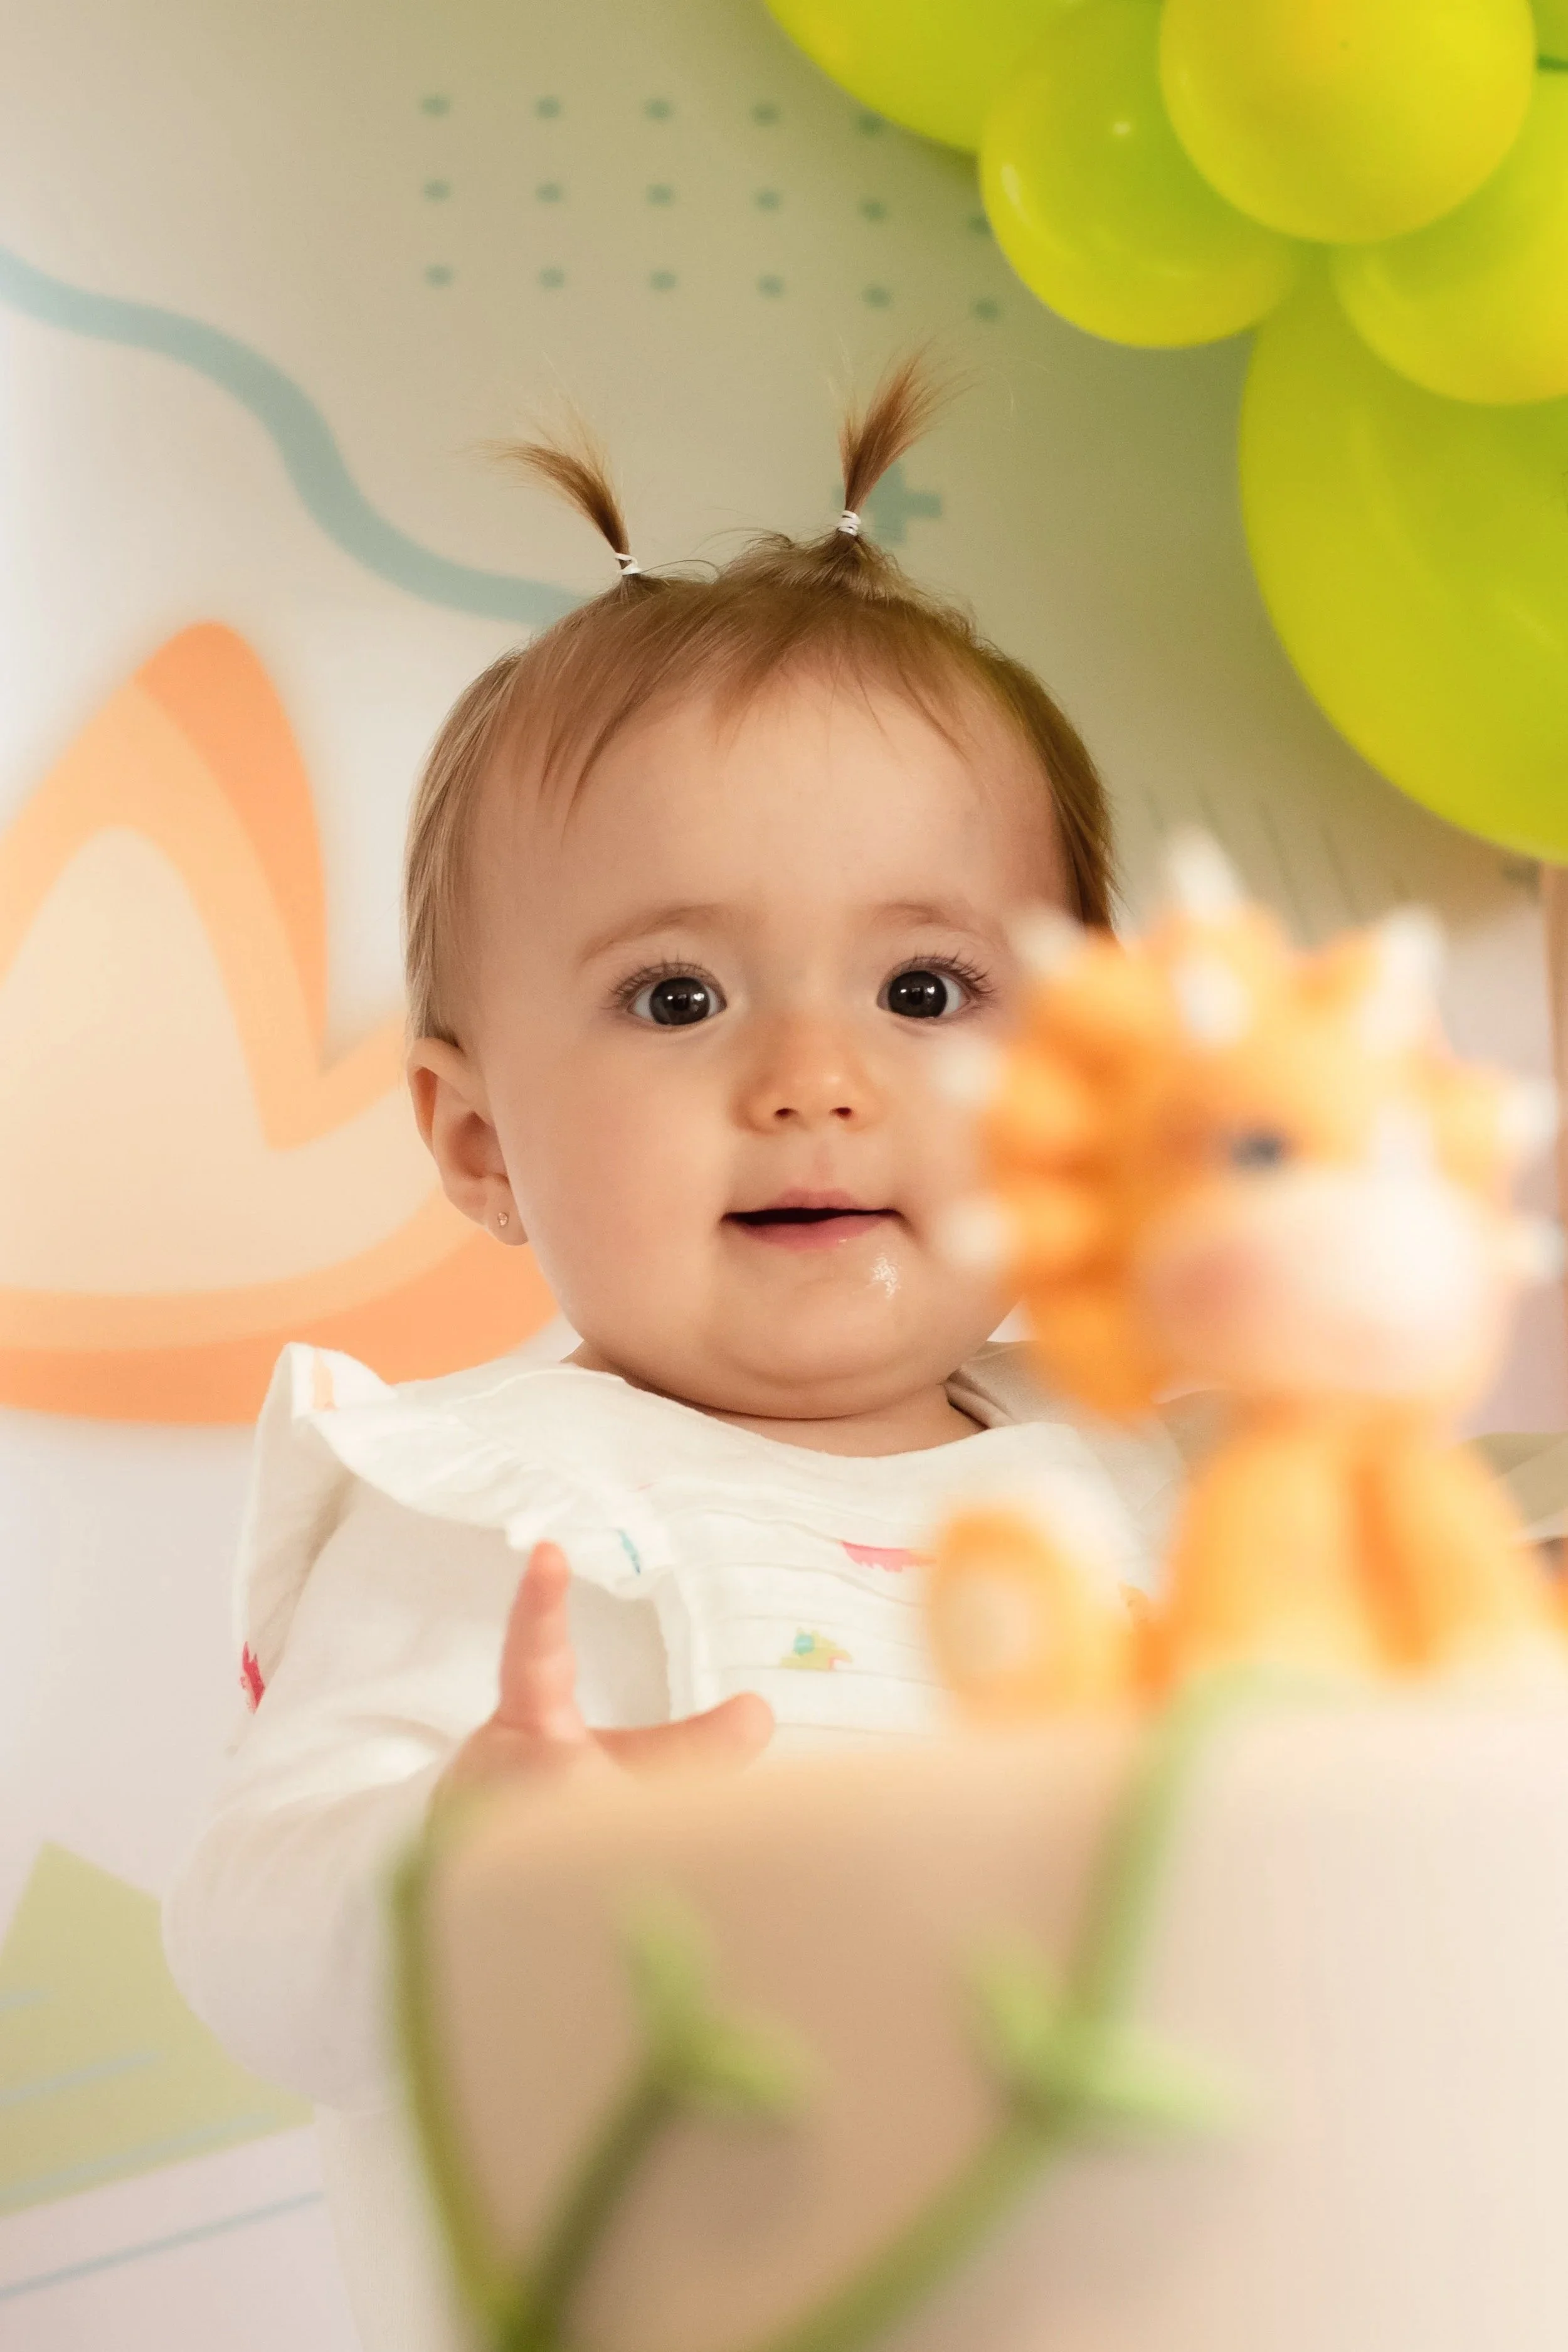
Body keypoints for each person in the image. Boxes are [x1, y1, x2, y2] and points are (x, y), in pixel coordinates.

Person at [162, 357, 1187, 2352]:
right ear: (475, 1135)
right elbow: (250, 1939)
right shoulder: (506, 1506)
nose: (811, 1077)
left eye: (922, 985)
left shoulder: (1166, 1474)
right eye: (675, 991)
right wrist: (468, 1858)